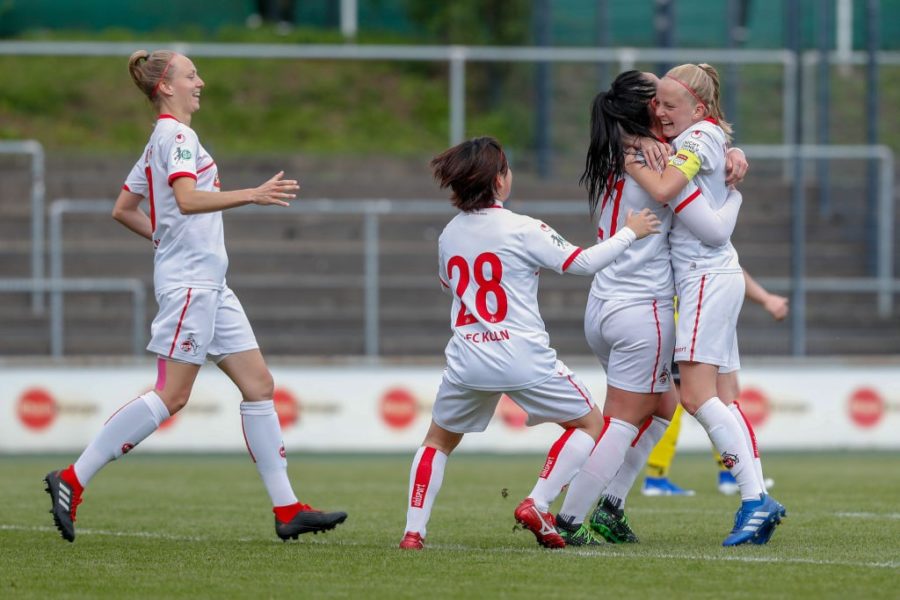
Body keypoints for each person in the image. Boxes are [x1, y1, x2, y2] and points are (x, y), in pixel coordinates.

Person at [42, 49, 347, 543]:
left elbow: (124, 208)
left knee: (259, 385)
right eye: (191, 74)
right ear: (165, 86)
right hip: (191, 286)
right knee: (173, 394)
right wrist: (251, 194)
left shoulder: (158, 140)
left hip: (209, 284)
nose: (200, 82)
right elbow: (184, 199)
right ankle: (72, 479)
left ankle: (288, 509)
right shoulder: (178, 136)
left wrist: (167, 240)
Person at [397, 136, 661, 550]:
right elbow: (581, 263)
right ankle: (538, 501)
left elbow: (450, 284)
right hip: (521, 353)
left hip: (468, 355)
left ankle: (413, 532)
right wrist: (630, 232)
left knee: (437, 442)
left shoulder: (448, 234)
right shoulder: (523, 228)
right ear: (499, 180)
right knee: (589, 424)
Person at [549, 70, 746, 546]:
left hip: (603, 306)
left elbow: (694, 146)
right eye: (656, 99)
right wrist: (731, 174)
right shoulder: (652, 160)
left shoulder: (620, 150)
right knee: (621, 419)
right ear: (647, 110)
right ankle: (568, 519)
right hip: (642, 308)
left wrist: (731, 152)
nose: (664, 105)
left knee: (664, 406)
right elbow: (695, 205)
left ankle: (611, 507)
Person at [623, 63, 784, 546]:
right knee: (720, 399)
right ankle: (756, 498)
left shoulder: (695, 141)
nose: (661, 112)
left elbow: (677, 197)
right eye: (658, 103)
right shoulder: (701, 137)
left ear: (700, 108)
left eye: (671, 105)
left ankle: (756, 499)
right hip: (711, 277)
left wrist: (637, 161)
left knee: (694, 396)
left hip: (705, 279)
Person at [591, 269, 789, 544]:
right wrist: (766, 298)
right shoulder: (669, 229)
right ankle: (752, 494)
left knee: (675, 401)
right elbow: (720, 249)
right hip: (678, 303)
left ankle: (750, 493)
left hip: (639, 302)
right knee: (691, 400)